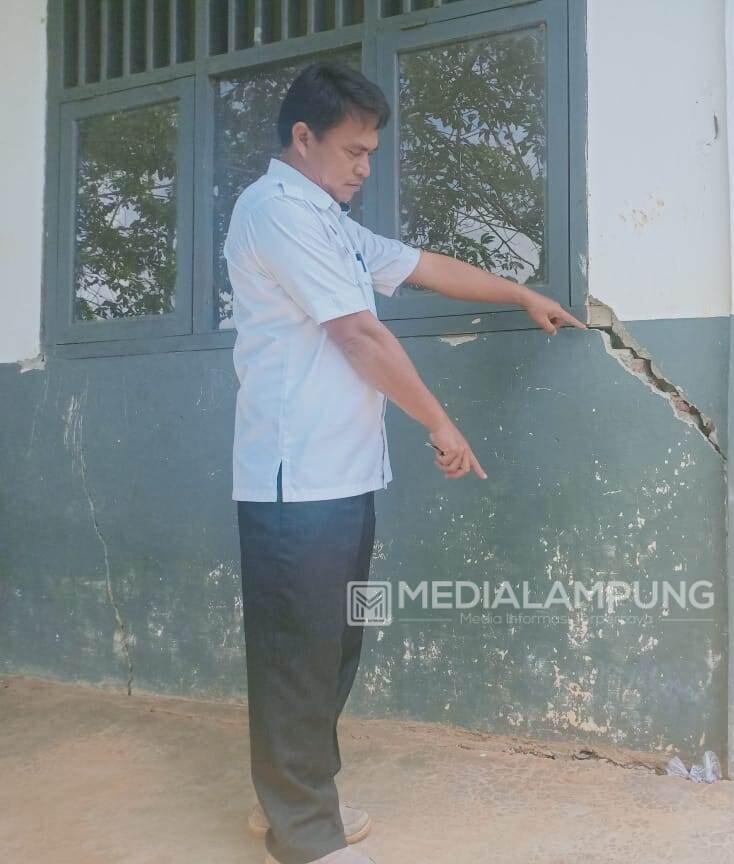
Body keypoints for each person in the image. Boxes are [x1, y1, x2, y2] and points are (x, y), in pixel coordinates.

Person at [223, 61, 585, 864]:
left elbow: (421, 265)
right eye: (352, 151)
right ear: (303, 138)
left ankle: (292, 803)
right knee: (297, 655)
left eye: (371, 154)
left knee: (333, 649)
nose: (362, 167)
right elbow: (358, 335)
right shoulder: (275, 212)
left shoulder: (327, 219)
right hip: (294, 480)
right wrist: (441, 422)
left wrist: (520, 294)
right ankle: (304, 834)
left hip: (345, 474)